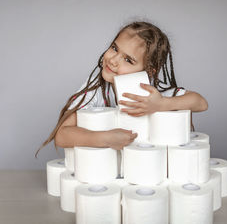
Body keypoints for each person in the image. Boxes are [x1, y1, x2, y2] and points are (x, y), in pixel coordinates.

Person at [35, 21, 208, 157]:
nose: (113, 60)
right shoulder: (96, 89)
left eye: (128, 60)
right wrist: (104, 138)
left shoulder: (153, 93)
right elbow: (62, 136)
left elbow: (200, 103)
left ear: (149, 71)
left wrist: (160, 104)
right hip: (107, 173)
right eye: (114, 48)